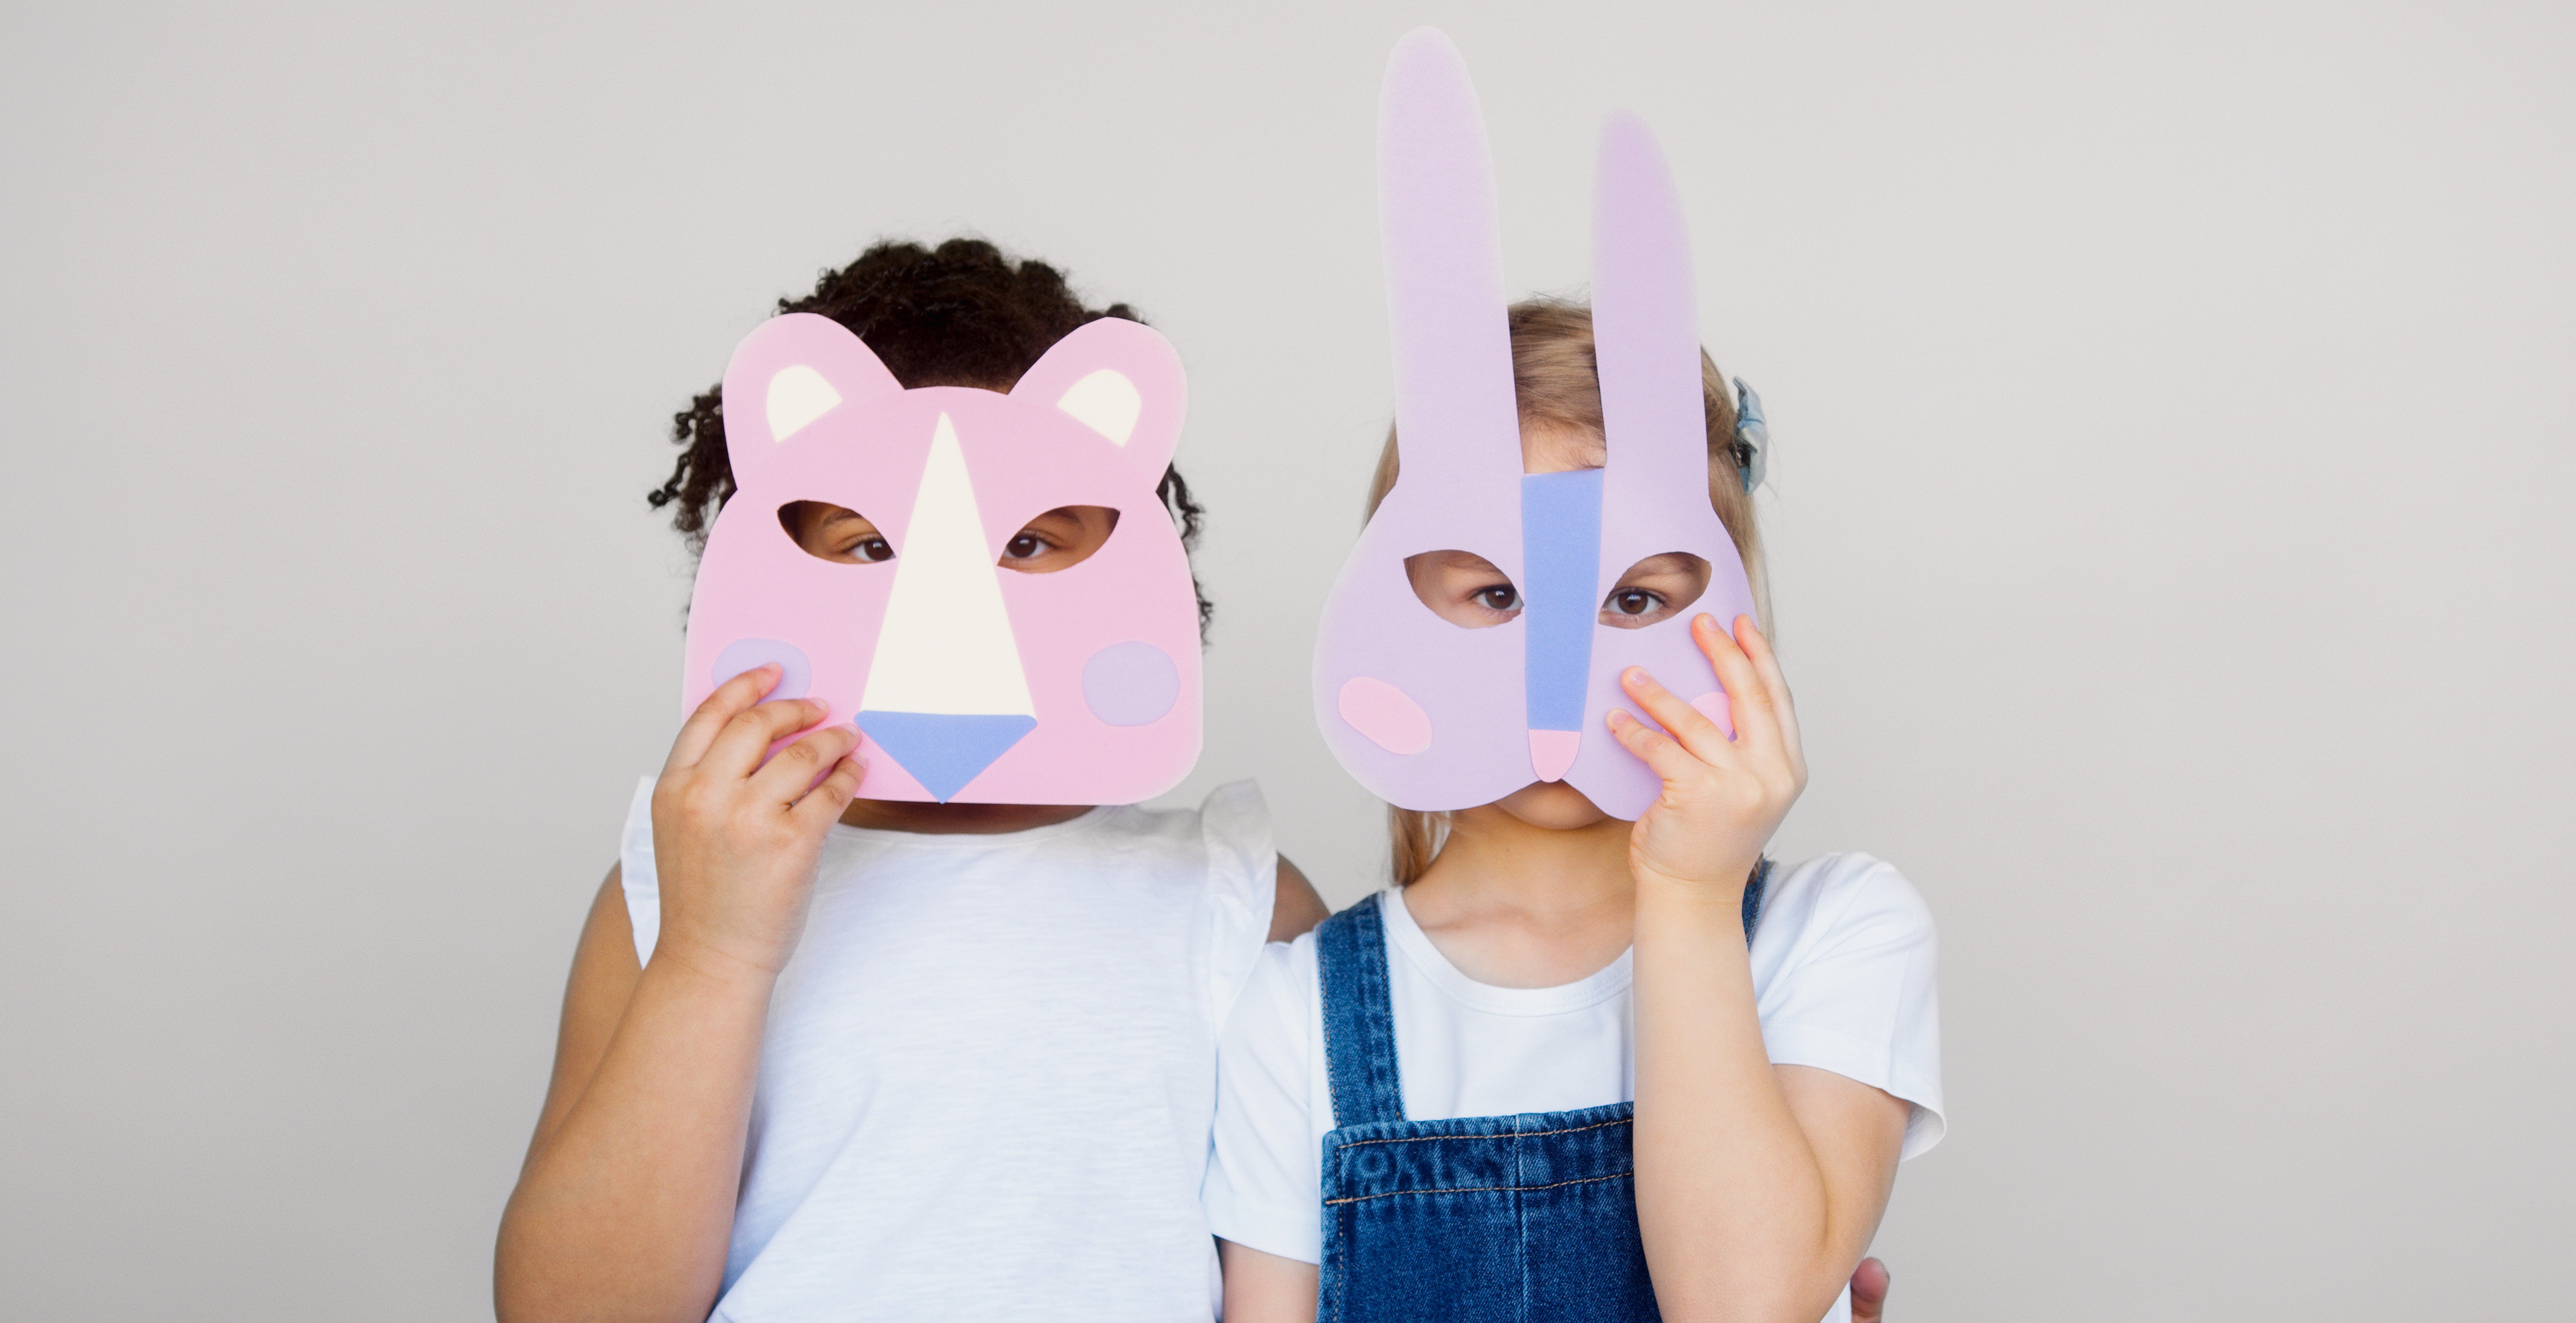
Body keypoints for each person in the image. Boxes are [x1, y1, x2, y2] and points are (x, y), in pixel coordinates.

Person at [494, 238, 1329, 1323]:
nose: (948, 615)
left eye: (1032, 541)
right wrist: (715, 953)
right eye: (863, 545)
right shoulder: (678, 887)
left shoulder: (1233, 897)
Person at [1204, 301, 1944, 1322]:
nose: (1562, 679)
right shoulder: (1290, 1014)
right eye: (1496, 596)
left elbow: (1742, 1309)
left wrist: (1689, 889)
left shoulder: (1838, 931)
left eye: (1634, 603)